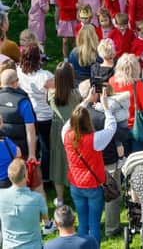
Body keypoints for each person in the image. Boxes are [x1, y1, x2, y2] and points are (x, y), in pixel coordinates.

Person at [62, 88, 115, 246]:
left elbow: (69, 121)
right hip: (93, 185)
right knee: (94, 223)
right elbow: (111, 128)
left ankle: (81, 246)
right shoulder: (95, 140)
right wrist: (106, 107)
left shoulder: (66, 134)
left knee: (83, 222)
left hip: (76, 184)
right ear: (88, 121)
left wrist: (85, 100)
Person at [17, 44, 54, 182]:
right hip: (45, 116)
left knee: (33, 144)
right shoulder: (45, 76)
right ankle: (45, 177)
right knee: (46, 148)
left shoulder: (18, 72)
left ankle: (31, 170)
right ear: (38, 58)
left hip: (29, 114)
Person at [48, 62, 82, 207]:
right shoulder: (76, 95)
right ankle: (76, 195)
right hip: (73, 131)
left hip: (56, 130)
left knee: (58, 162)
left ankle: (60, 198)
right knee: (74, 162)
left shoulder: (50, 94)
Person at [0, 159, 50, 248]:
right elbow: (47, 223)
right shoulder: (37, 198)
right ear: (26, 175)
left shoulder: (1, 195)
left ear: (9, 175)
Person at [108, 53, 143, 153]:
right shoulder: (138, 85)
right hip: (135, 127)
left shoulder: (111, 82)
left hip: (117, 127)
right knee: (135, 162)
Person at [0, 69, 37, 165]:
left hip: (2, 149)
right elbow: (30, 130)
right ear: (15, 83)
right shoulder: (23, 102)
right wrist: (32, 154)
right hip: (20, 152)